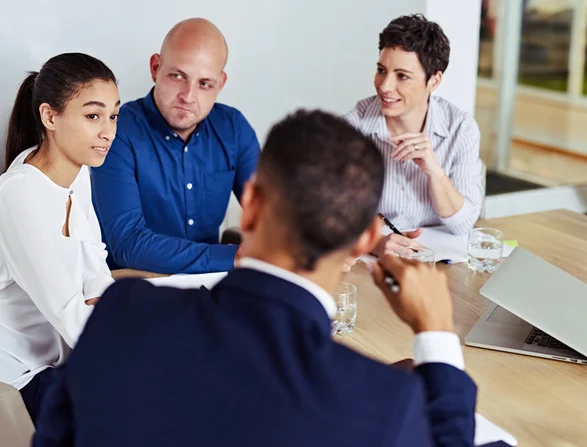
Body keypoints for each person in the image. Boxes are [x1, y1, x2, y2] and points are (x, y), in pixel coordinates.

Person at [33, 110, 476, 447]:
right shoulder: (383, 403)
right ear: (366, 241)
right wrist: (436, 333)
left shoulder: (121, 312)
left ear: (251, 206)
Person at [0, 53, 119, 425]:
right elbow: (70, 314)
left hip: (59, 357)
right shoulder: (18, 194)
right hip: (19, 369)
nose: (108, 132)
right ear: (50, 117)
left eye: (113, 115)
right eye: (93, 116)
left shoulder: (77, 173)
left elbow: (94, 264)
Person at [91, 18, 260, 274]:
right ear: (155, 68)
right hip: (137, 285)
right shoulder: (117, 132)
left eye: (205, 84)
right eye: (177, 76)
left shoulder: (233, 128)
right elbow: (128, 244)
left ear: (220, 84)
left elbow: (269, 213)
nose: (188, 96)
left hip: (210, 284)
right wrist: (235, 256)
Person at [345, 14, 483, 257]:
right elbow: (328, 215)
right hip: (372, 263)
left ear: (434, 81)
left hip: (437, 260)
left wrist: (434, 171)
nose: (385, 86)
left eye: (402, 76)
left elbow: (463, 225)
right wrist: (374, 243)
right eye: (381, 70)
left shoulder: (461, 129)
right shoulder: (353, 128)